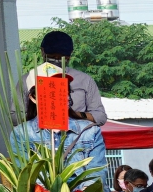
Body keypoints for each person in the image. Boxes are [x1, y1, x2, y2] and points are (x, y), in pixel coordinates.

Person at [36, 30, 112, 179]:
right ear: (42, 52)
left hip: (78, 143)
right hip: (39, 142)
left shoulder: (84, 80)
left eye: (62, 57)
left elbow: (100, 117)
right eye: (52, 56)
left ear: (70, 54)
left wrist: (73, 114)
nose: (57, 60)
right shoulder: (29, 79)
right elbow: (15, 116)